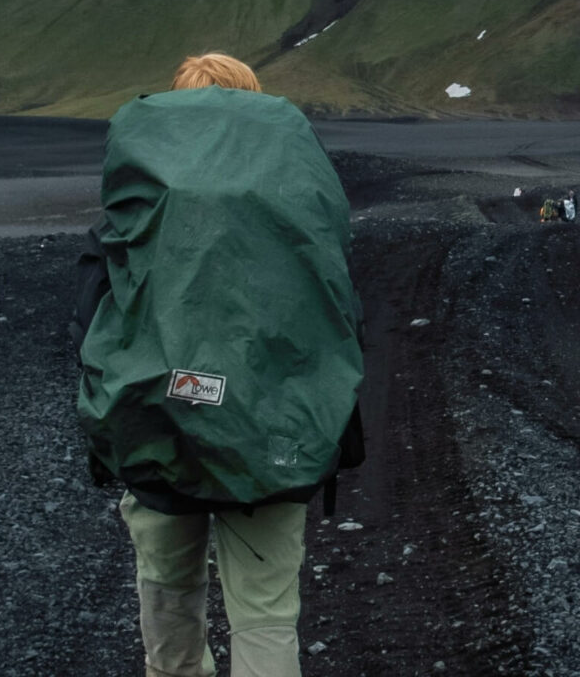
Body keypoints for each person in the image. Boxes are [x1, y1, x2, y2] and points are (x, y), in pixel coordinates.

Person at [74, 52, 363, 677]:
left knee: (168, 594)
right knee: (265, 612)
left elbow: (89, 319)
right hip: (273, 435)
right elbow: (339, 318)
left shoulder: (138, 210)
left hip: (155, 423)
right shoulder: (303, 207)